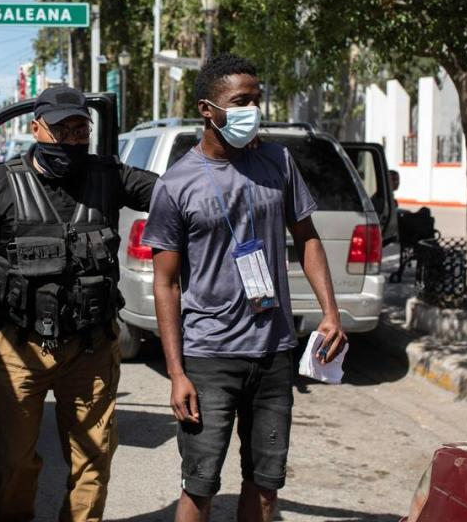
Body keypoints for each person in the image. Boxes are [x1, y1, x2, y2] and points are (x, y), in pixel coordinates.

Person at [141, 54, 347, 522]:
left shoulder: (278, 161)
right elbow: (166, 284)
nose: (253, 109)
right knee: (199, 488)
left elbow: (307, 237)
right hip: (210, 356)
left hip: (274, 352)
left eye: (257, 98)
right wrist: (176, 371)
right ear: (208, 110)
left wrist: (330, 312)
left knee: (266, 486)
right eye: (241, 101)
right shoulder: (176, 184)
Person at [0, 86, 156, 522]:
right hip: (21, 349)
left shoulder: (107, 176)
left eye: (80, 130)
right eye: (61, 130)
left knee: (93, 463)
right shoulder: (3, 183)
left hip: (91, 349)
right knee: (13, 464)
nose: (72, 140)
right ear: (36, 128)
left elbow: (171, 194)